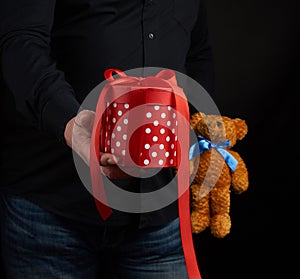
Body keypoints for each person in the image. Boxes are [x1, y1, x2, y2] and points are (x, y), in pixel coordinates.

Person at [0, 0, 214, 278]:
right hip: (50, 208)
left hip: (160, 211)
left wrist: (195, 130)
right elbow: (20, 41)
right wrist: (70, 122)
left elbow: (198, 52)